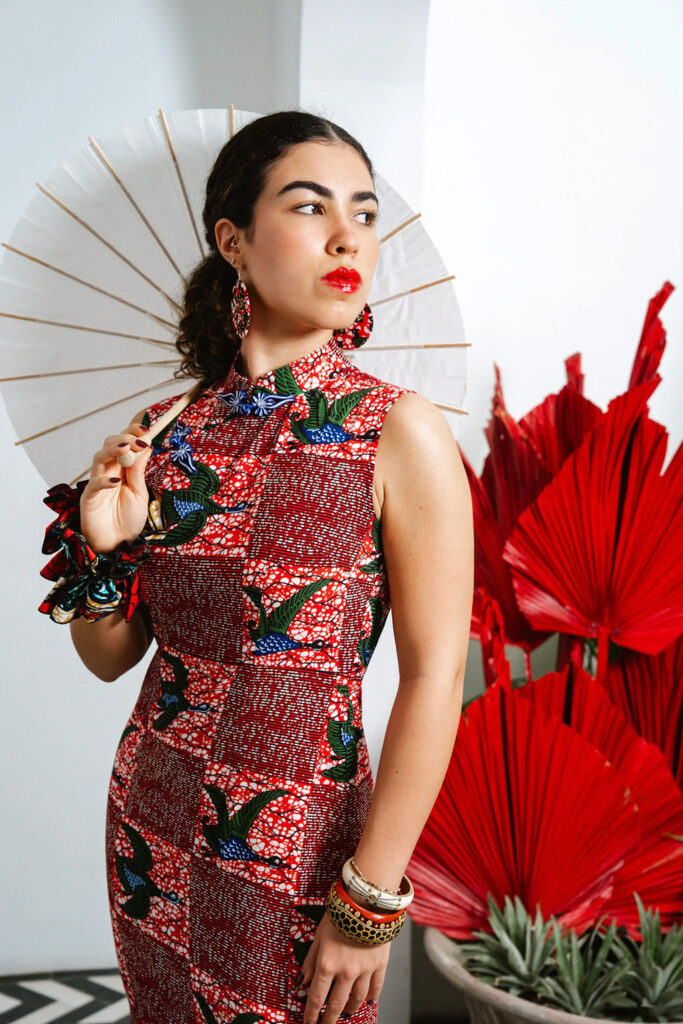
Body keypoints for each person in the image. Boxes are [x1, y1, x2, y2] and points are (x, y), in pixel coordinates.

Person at [37, 110, 473, 1024]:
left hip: (301, 839)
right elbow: (109, 655)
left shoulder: (399, 430)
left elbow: (434, 676)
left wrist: (370, 898)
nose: (348, 233)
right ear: (232, 241)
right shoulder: (167, 430)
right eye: (310, 207)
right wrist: (106, 544)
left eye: (363, 210)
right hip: (152, 816)